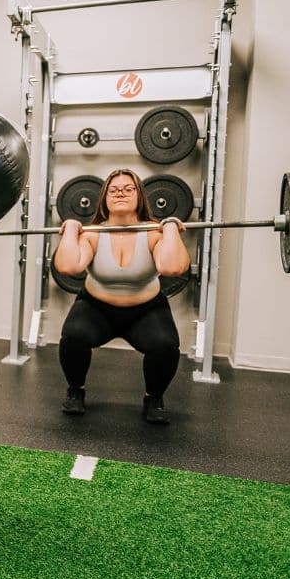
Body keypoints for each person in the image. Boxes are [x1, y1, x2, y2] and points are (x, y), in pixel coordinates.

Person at [52, 168, 190, 424]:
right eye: (113, 190)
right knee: (73, 336)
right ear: (104, 198)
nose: (121, 194)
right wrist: (71, 228)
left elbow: (172, 268)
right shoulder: (93, 234)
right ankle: (75, 391)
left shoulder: (153, 233)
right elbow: (69, 266)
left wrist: (170, 227)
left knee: (165, 345)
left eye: (128, 189)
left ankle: (153, 398)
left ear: (140, 196)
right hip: (96, 309)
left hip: (146, 311)